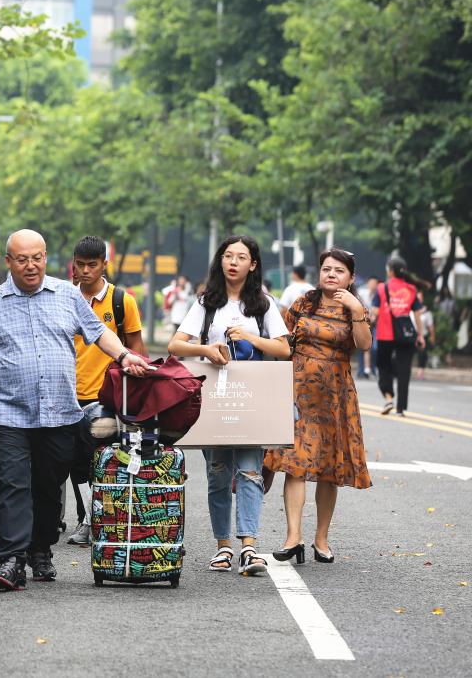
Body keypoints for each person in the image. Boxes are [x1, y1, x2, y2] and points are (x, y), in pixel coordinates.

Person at [0, 229, 151, 591]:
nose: (30, 265)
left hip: (61, 414)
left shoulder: (67, 295)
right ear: (9, 262)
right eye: (22, 259)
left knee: (49, 488)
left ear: (46, 258)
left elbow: (99, 333)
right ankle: (11, 559)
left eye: (37, 257)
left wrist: (126, 356)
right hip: (10, 415)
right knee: (15, 485)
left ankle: (40, 549)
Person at [168, 235, 290, 577]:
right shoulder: (207, 302)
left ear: (253, 264)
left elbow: (284, 349)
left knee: (250, 471)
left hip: (252, 399)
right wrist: (207, 350)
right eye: (228, 256)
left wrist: (251, 338)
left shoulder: (263, 304)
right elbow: (176, 344)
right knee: (218, 474)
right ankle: (223, 547)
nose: (233, 262)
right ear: (220, 261)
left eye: (241, 257)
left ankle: (249, 547)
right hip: (214, 401)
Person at [265, 248, 372, 565]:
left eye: (339, 271)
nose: (331, 274)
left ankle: (321, 540)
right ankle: (292, 537)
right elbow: (283, 345)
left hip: (335, 398)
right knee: (294, 463)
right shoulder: (303, 303)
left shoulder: (354, 308)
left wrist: (354, 308)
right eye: (326, 269)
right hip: (298, 395)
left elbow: (364, 345)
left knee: (328, 467)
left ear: (350, 278)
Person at [67, 235, 145, 546]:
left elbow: (136, 349)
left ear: (104, 265)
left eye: (92, 265)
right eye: (80, 265)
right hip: (69, 396)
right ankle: (86, 517)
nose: (85, 271)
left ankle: (100, 520)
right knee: (75, 462)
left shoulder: (121, 301)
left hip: (108, 398)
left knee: (104, 459)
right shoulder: (64, 299)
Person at [371, 257, 425, 417]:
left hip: (385, 334)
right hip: (406, 334)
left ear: (391, 271)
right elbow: (417, 315)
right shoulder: (411, 289)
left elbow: (375, 313)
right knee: (404, 371)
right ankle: (401, 408)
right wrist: (420, 335)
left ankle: (388, 398)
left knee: (383, 366)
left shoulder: (381, 288)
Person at [357, 276, 380, 379]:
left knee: (374, 348)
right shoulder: (362, 293)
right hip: (363, 323)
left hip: (375, 324)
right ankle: (361, 371)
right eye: (371, 283)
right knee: (362, 347)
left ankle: (373, 369)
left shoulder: (379, 295)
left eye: (375, 283)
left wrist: (374, 317)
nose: (373, 285)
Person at [414, 291, 435, 379]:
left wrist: (432, 336)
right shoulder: (410, 310)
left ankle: (420, 372)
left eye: (420, 298)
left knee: (422, 354)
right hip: (412, 335)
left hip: (423, 335)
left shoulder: (426, 313)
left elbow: (431, 326)